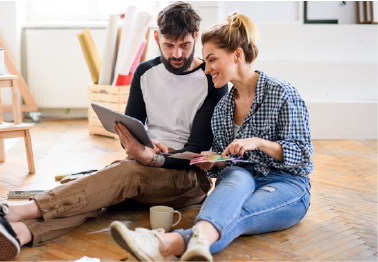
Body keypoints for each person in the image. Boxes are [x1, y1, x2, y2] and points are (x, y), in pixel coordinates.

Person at [0, 2, 228, 260]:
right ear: (157, 38)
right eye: (169, 45)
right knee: (98, 194)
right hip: (145, 168)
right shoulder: (144, 73)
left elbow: (196, 153)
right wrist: (141, 146)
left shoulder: (210, 80)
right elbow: (130, 131)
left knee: (120, 175)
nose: (177, 54)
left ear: (196, 35)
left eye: (185, 45)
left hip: (187, 180)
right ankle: (20, 234)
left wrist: (151, 158)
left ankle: (11, 211)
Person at [109, 12, 313, 262]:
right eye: (205, 61)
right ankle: (177, 245)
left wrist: (258, 143)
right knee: (234, 178)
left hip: (285, 182)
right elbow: (226, 161)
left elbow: (302, 154)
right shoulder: (222, 108)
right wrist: (213, 160)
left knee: (239, 215)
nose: (206, 69)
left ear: (237, 55)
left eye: (212, 60)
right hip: (241, 174)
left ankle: (163, 243)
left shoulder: (281, 93)